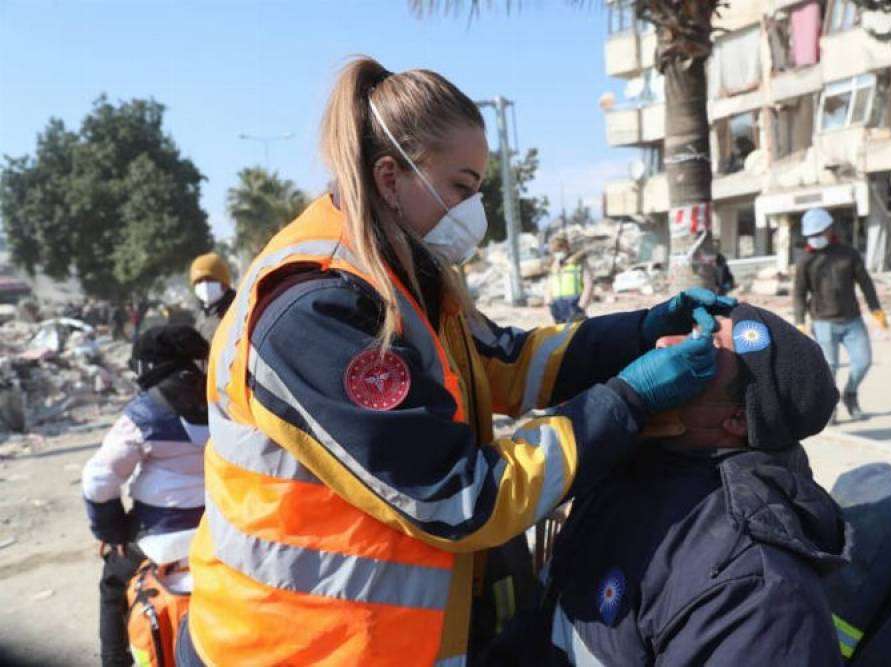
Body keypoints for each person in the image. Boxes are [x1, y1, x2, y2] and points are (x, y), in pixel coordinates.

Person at [176, 56, 736, 667]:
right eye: (461, 188)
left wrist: (639, 330)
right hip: (294, 644)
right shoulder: (316, 310)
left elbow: (505, 362)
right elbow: (462, 497)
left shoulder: (402, 277)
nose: (475, 211)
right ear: (390, 177)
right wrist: (627, 402)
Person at [484, 303, 847, 666]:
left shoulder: (754, 587)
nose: (663, 343)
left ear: (736, 419)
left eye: (703, 349)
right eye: (691, 332)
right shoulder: (629, 465)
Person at [81, 325, 210, 667]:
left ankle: (115, 660)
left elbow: (98, 479)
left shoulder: (143, 414)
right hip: (219, 535)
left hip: (159, 539)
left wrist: (113, 531)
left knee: (112, 585)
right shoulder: (224, 398)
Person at [794, 207, 887, 421]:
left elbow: (865, 282)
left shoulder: (848, 254)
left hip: (852, 319)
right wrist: (799, 321)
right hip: (823, 322)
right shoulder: (805, 261)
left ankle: (850, 393)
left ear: (829, 230)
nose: (815, 239)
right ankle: (830, 407)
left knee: (863, 361)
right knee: (830, 368)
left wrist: (876, 308)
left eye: (819, 234)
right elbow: (799, 292)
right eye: (811, 235)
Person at [188, 252, 236, 342]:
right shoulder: (202, 317)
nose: (205, 285)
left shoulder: (239, 309)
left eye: (209, 279)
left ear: (224, 282)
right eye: (199, 281)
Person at [545, 235, 593, 323]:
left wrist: (581, 307)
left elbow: (588, 285)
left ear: (567, 247)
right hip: (557, 306)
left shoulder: (579, 263)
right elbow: (549, 286)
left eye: (559, 250)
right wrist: (549, 304)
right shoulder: (554, 266)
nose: (557, 253)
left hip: (575, 304)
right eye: (555, 251)